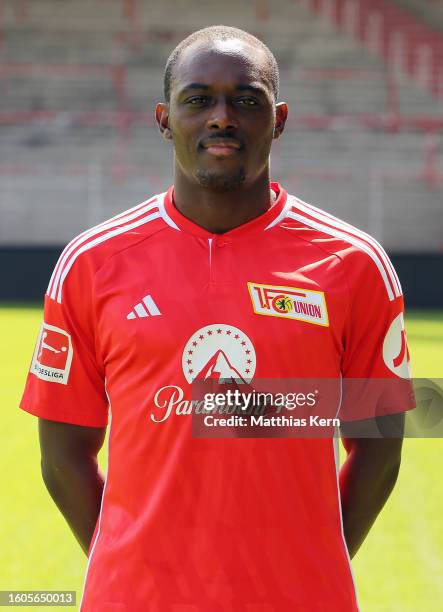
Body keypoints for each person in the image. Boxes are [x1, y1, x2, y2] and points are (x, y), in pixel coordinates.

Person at [20, 25, 414, 611]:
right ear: (163, 118)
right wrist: (130, 559)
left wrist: (309, 561)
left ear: (278, 119)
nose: (222, 117)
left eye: (246, 100)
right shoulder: (92, 264)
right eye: (199, 99)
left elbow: (379, 449)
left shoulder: (353, 264)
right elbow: (62, 454)